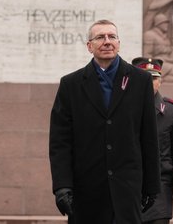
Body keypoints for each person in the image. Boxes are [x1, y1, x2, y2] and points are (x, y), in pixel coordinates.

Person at [49, 19, 161, 223]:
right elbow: (60, 141)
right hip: (86, 191)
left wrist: (152, 186)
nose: (107, 41)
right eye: (100, 37)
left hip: (127, 189)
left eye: (112, 36)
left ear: (119, 43)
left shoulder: (141, 81)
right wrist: (62, 186)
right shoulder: (70, 84)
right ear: (89, 46)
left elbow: (148, 137)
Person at [132, 57, 173, 224]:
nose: (150, 83)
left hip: (160, 186)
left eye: (154, 78)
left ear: (160, 81)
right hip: (129, 184)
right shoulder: (120, 108)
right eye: (145, 78)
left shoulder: (172, 111)